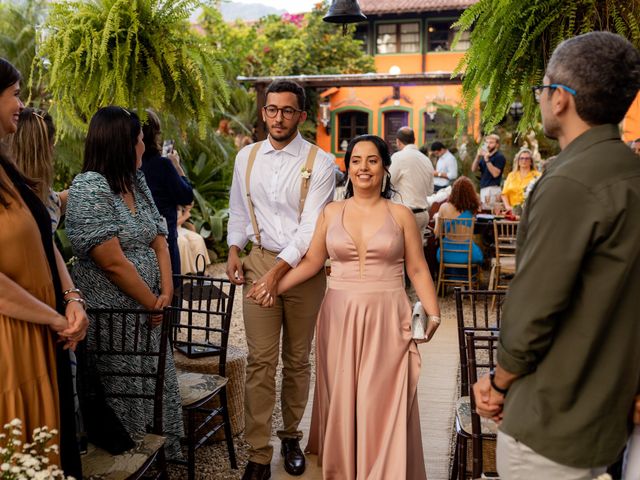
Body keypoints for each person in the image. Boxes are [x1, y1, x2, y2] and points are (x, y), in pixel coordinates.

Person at [473, 31, 640, 480]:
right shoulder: (628, 172)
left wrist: (497, 381)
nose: (542, 99)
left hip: (551, 416)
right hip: (605, 410)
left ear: (561, 98)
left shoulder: (569, 181)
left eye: (542, 89)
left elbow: (535, 308)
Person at [247, 134, 440, 480]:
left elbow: (417, 267)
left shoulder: (401, 215)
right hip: (338, 317)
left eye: (372, 160)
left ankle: (384, 470)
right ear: (347, 167)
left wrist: (433, 310)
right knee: (344, 396)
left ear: (385, 168)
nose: (363, 168)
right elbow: (311, 263)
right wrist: (274, 286)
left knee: (380, 397)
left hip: (388, 315)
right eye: (356, 160)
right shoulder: (331, 212)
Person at [225, 80, 335, 480]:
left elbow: (310, 229)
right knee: (260, 361)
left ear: (301, 116)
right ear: (263, 112)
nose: (278, 117)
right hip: (257, 263)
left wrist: (277, 274)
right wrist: (235, 249)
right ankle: (258, 452)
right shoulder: (246, 157)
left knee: (296, 360)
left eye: (287, 111)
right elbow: (238, 208)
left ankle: (290, 435)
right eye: (272, 109)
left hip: (304, 269)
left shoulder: (320, 162)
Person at [65, 106, 184, 459]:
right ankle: (130, 457)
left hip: (148, 312)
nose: (144, 148)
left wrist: (165, 293)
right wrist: (151, 302)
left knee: (156, 380)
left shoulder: (137, 181)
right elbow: (112, 262)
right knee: (124, 388)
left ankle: (158, 452)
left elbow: (160, 236)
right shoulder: (90, 187)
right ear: (122, 144)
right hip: (116, 320)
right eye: (139, 141)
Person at [0, 58, 87, 478]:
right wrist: (54, 316)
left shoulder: (6, 168)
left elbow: (42, 237)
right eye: (15, 94)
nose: (21, 104)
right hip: (10, 337)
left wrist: (71, 297)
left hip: (38, 331)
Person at [139, 109, 193, 285]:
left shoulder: (125, 167)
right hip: (166, 241)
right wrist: (176, 166)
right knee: (169, 296)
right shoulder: (162, 164)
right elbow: (186, 196)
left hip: (136, 245)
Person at [9, 108, 67, 233]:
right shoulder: (23, 204)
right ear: (46, 149)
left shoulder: (31, 189)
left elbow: (56, 201)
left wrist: (85, 187)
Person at [389, 127, 434, 237]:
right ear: (414, 140)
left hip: (406, 214)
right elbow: (429, 192)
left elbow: (388, 184)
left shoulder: (398, 157)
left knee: (401, 252)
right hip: (423, 215)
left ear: (398, 142)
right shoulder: (426, 159)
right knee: (417, 252)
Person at [434, 176, 483, 266]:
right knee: (479, 254)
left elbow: (437, 234)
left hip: (446, 253)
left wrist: (437, 218)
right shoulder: (472, 210)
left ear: (453, 192)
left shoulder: (444, 207)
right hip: (468, 254)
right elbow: (478, 199)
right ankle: (469, 277)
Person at [471, 133, 506, 205]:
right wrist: (478, 156)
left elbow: (495, 174)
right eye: (486, 142)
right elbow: (473, 169)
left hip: (493, 189)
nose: (488, 145)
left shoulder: (499, 157)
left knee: (491, 212)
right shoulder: (485, 156)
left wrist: (487, 160)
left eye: (491, 142)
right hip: (484, 188)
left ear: (497, 145)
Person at [176, 203, 211, 274]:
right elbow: (169, 223)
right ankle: (184, 272)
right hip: (169, 229)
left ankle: (200, 270)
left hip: (180, 228)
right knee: (183, 241)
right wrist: (185, 216)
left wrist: (187, 209)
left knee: (197, 239)